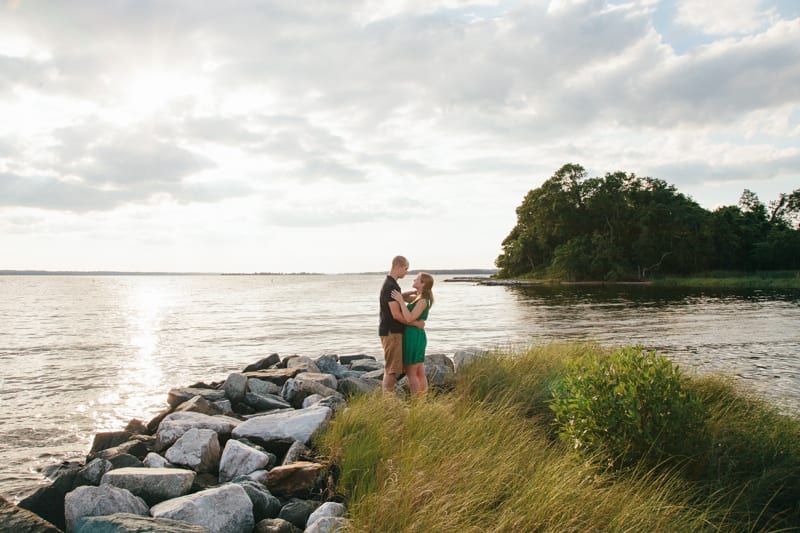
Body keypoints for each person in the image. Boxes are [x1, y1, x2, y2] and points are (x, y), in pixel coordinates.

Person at [379, 255, 419, 394]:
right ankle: (387, 403)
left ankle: (387, 401)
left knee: (391, 368)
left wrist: (412, 293)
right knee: (392, 371)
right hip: (392, 332)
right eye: (406, 269)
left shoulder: (391, 284)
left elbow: (397, 298)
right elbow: (396, 314)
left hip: (390, 331)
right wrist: (414, 323)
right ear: (398, 266)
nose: (406, 272)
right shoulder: (391, 286)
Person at [391, 272, 434, 395]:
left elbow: (409, 318)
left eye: (417, 279)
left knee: (412, 373)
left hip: (413, 337)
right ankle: (422, 400)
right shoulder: (418, 298)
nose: (414, 279)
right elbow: (403, 297)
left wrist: (400, 301)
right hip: (414, 334)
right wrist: (410, 293)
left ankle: (416, 402)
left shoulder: (422, 301)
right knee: (419, 371)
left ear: (423, 283)